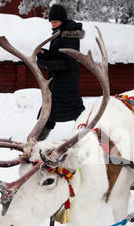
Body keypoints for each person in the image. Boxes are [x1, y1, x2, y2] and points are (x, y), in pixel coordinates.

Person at [36, 4, 86, 141]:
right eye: (51, 22)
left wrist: (47, 64)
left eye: (55, 22)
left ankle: (90, 133)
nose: (53, 25)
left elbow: (68, 61)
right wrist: (44, 54)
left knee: (53, 109)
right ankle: (89, 132)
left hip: (66, 81)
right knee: (53, 108)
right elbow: (57, 55)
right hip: (60, 80)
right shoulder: (59, 31)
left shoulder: (69, 36)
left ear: (62, 20)